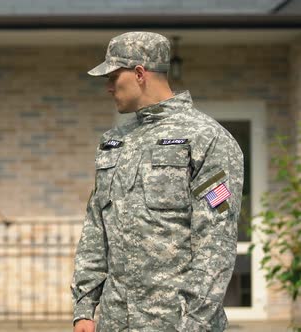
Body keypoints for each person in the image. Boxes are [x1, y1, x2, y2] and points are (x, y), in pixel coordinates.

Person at [71, 32, 244, 332]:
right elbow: (96, 226)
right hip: (115, 322)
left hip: (176, 324)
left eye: (113, 76)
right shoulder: (114, 142)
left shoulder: (206, 139)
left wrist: (195, 323)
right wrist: (84, 308)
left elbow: (216, 241)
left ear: (140, 73)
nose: (108, 87)